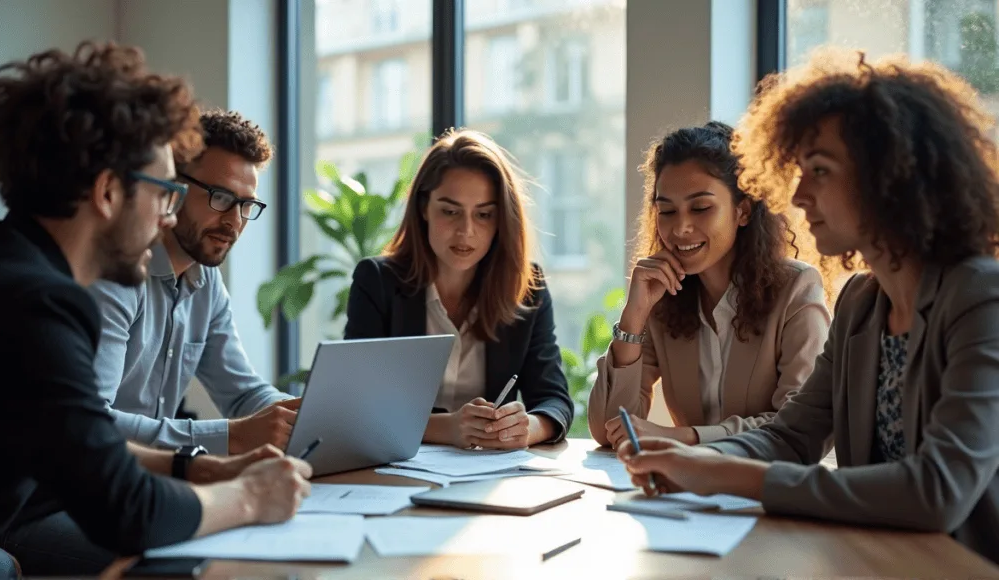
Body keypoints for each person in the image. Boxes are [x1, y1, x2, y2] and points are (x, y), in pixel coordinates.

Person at [617, 48, 999, 565]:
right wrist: (690, 460)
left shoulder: (982, 297)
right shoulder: (862, 303)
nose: (797, 195)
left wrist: (720, 472)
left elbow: (936, 490)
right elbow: (791, 437)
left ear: (891, 177)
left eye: (819, 170)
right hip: (876, 561)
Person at [0, 41, 311, 577]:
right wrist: (248, 497)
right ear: (108, 193)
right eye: (162, 192)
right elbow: (124, 510)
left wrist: (199, 470)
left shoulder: (2, 267)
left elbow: (84, 448)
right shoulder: (36, 306)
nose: (168, 217)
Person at [588, 122, 831, 447]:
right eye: (667, 211)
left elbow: (801, 428)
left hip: (769, 490)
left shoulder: (797, 290)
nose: (680, 228)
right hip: (687, 492)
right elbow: (608, 431)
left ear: (742, 210)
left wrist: (685, 438)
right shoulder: (664, 299)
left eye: (700, 208)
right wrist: (634, 316)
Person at [343, 129, 574, 449]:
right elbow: (358, 404)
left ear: (501, 220)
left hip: (486, 476)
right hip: (396, 468)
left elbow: (553, 401)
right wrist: (446, 428)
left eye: (483, 214)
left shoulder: (527, 287)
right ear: (424, 207)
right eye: (450, 211)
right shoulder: (378, 282)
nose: (466, 231)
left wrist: (526, 427)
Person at [89, 109, 297, 457]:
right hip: (94, 486)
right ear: (174, 187)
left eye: (246, 205)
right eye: (221, 197)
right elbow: (92, 424)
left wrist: (303, 413)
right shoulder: (118, 275)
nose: (234, 221)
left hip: (152, 482)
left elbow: (244, 394)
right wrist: (232, 436)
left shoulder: (206, 282)